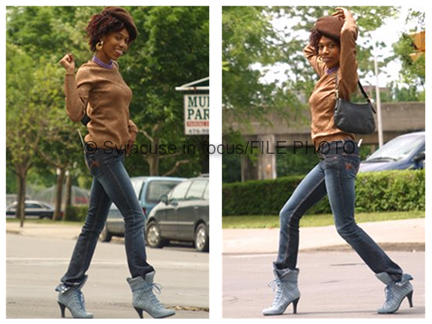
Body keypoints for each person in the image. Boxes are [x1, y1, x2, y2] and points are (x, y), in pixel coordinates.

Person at [262, 8, 413, 316]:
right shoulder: (324, 75)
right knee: (288, 214)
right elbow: (309, 50)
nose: (325, 51)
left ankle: (396, 280)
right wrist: (318, 33)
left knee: (345, 226)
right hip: (326, 158)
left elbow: (346, 35)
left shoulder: (344, 75)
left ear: (342, 50)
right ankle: (287, 284)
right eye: (322, 47)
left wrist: (348, 17)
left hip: (340, 155)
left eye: (331, 46)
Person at [56, 7, 175, 319]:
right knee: (135, 216)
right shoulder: (85, 71)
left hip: (115, 152)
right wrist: (69, 74)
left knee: (93, 226)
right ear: (101, 38)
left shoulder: (114, 68)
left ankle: (69, 288)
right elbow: (75, 112)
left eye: (126, 40)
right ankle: (143, 290)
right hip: (101, 154)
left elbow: (112, 107)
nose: (123, 43)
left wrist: (129, 126)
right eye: (118, 37)